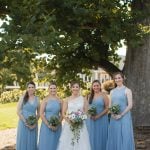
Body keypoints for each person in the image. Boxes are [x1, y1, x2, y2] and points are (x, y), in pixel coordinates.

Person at [57, 81, 91, 150]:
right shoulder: (67, 99)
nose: (75, 88)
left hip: (80, 125)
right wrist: (69, 121)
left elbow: (87, 113)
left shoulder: (84, 99)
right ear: (71, 88)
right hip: (69, 125)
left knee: (81, 143)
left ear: (79, 88)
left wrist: (80, 119)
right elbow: (63, 113)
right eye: (73, 87)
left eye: (77, 87)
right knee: (68, 143)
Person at [106, 72, 135, 150]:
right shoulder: (112, 91)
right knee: (115, 135)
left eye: (119, 78)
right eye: (116, 78)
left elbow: (130, 105)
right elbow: (110, 105)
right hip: (114, 118)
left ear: (123, 78)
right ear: (114, 80)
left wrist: (121, 115)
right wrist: (112, 114)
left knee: (124, 135)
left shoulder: (127, 90)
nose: (117, 79)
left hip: (124, 117)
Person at [16, 81, 40, 150]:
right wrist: (25, 122)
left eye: (32, 87)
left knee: (32, 140)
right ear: (27, 88)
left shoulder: (37, 99)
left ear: (35, 88)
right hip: (23, 123)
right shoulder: (22, 98)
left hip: (33, 124)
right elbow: (18, 111)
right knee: (23, 140)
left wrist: (34, 123)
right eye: (29, 87)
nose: (31, 89)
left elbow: (38, 113)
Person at [38, 82, 62, 150]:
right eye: (51, 88)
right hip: (46, 125)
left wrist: (57, 124)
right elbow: (41, 113)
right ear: (48, 89)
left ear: (57, 89)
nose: (53, 90)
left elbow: (62, 114)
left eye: (54, 88)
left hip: (57, 125)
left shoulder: (60, 100)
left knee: (56, 143)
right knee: (46, 142)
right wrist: (48, 125)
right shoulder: (45, 100)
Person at [86, 80, 109, 150]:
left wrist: (98, 116)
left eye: (97, 85)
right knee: (91, 136)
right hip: (91, 120)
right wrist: (89, 114)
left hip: (101, 119)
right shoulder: (89, 96)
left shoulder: (104, 95)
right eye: (94, 86)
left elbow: (107, 108)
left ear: (100, 86)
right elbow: (86, 108)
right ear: (92, 87)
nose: (96, 87)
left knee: (101, 136)